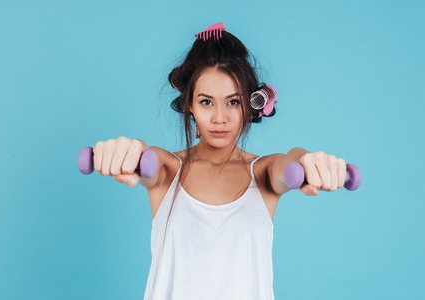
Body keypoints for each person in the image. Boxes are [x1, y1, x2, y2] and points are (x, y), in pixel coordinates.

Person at [92, 22, 347, 300]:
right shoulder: (166, 170)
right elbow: (145, 157)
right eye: (206, 102)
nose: (219, 118)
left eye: (233, 102)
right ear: (189, 103)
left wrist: (308, 161)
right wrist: (127, 151)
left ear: (249, 105)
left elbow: (289, 163)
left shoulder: (263, 174)